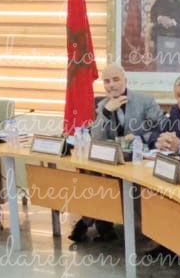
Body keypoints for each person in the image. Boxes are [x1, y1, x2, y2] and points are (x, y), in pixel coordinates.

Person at [70, 65, 166, 243]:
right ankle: (101, 225)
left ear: (125, 81)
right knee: (93, 178)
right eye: (107, 81)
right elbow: (97, 138)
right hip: (114, 161)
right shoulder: (102, 105)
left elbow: (162, 127)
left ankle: (147, 230)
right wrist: (107, 112)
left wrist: (139, 137)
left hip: (139, 160)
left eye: (116, 80)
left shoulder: (144, 101)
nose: (111, 85)